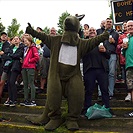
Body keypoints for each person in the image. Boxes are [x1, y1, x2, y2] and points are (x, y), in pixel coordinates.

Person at [25, 16, 109, 131]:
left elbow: (93, 41)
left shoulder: (80, 44)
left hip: (73, 75)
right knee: (53, 94)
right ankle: (55, 118)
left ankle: (72, 119)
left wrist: (103, 36)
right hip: (56, 74)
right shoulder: (55, 40)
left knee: (77, 94)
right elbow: (42, 36)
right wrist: (32, 31)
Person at [81, 27, 110, 115]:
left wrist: (105, 51)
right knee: (89, 90)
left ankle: (107, 107)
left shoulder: (102, 42)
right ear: (87, 33)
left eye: (94, 30)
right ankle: (86, 108)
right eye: (90, 30)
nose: (92, 31)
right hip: (89, 70)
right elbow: (81, 53)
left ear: (96, 33)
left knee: (104, 89)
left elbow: (108, 55)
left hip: (101, 69)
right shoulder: (85, 43)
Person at [97, 18, 119, 100]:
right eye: (107, 22)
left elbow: (118, 45)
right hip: (102, 54)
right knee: (101, 73)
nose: (109, 23)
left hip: (112, 54)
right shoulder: (99, 31)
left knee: (112, 74)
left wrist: (114, 42)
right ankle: (100, 93)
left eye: (110, 22)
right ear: (104, 24)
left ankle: (110, 93)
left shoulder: (116, 33)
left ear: (112, 24)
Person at [3, 36, 24, 107]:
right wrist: (12, 56)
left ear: (20, 40)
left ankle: (14, 99)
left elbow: (18, 55)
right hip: (9, 67)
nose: (15, 40)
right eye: (14, 39)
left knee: (12, 82)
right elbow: (6, 56)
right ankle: (10, 99)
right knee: (8, 82)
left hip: (15, 67)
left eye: (17, 39)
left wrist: (11, 55)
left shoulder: (21, 47)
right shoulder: (11, 47)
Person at [20, 34, 39, 107]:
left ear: (29, 40)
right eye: (24, 40)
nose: (24, 41)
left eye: (26, 40)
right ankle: (26, 100)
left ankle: (33, 100)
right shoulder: (26, 48)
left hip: (30, 67)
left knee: (31, 83)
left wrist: (29, 60)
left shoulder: (33, 48)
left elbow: (36, 57)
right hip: (24, 67)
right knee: (25, 84)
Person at [116, 21, 130, 101]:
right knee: (127, 78)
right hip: (124, 60)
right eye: (125, 26)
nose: (126, 27)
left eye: (126, 25)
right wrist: (122, 46)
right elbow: (117, 48)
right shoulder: (121, 36)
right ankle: (128, 93)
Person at [122, 20, 133, 117]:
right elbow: (123, 53)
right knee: (132, 88)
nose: (130, 27)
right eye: (128, 26)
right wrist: (123, 48)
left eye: (132, 26)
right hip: (129, 66)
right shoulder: (126, 38)